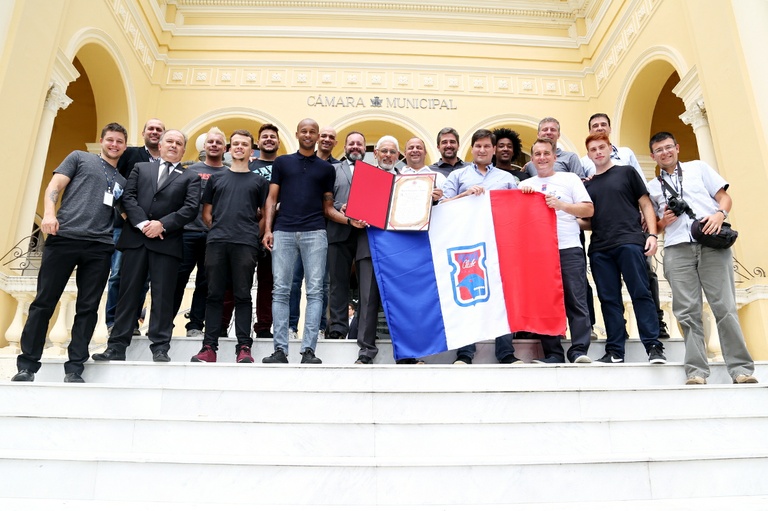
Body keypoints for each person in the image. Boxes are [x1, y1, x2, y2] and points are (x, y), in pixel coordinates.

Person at [12, 123, 128, 383]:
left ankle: (75, 367)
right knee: (44, 302)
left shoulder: (121, 181)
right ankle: (27, 365)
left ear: (124, 146)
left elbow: (125, 213)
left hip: (99, 247)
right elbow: (54, 185)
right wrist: (49, 215)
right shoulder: (79, 157)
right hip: (64, 238)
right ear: (102, 141)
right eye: (110, 140)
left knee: (88, 308)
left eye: (119, 141)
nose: (114, 145)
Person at [647, 132, 757, 385]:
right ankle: (696, 371)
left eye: (668, 147)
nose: (665, 153)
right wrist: (664, 221)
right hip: (677, 249)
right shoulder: (652, 187)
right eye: (659, 150)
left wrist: (720, 214)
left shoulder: (698, 168)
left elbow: (724, 198)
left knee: (725, 307)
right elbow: (654, 227)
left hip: (711, 243)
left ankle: (741, 369)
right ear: (653, 156)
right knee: (687, 312)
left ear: (677, 147)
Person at [261, 118, 365, 364]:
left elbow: (328, 208)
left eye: (312, 132)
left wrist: (350, 221)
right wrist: (268, 229)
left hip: (316, 233)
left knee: (316, 291)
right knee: (281, 290)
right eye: (304, 131)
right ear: (297, 134)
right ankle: (280, 350)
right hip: (284, 231)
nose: (308, 135)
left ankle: (308, 349)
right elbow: (271, 199)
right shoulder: (282, 162)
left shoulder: (326, 169)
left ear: (318, 136)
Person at [92, 129, 201, 363]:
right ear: (160, 146)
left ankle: (160, 347)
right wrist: (143, 224)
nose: (173, 145)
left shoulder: (190, 177)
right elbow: (128, 198)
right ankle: (116, 346)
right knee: (128, 293)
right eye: (169, 141)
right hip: (136, 240)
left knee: (163, 296)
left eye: (179, 143)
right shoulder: (141, 168)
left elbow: (190, 208)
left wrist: (162, 224)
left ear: (183, 150)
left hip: (166, 242)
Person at [581, 113, 670, 339]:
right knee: (609, 296)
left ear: (610, 145)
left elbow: (644, 197)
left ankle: (654, 335)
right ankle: (616, 341)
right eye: (595, 126)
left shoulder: (626, 162)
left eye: (603, 125)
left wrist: (651, 230)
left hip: (631, 235)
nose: (598, 151)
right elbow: (587, 211)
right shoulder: (586, 172)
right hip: (602, 242)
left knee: (643, 285)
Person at [190, 130, 269, 363]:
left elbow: (266, 214)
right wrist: (219, 229)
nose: (239, 147)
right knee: (214, 294)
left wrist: (252, 234)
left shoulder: (259, 181)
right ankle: (209, 347)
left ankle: (244, 347)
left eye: (244, 144)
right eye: (235, 144)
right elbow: (206, 213)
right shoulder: (216, 179)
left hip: (246, 244)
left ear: (251, 150)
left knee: (243, 295)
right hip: (217, 242)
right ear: (229, 149)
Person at [441, 129, 519, 365]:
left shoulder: (507, 179)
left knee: (503, 296)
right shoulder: (458, 176)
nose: (482, 150)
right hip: (468, 245)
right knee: (468, 294)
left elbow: (517, 208)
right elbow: (442, 206)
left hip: (499, 243)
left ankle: (505, 353)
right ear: (472, 149)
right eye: (478, 146)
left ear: (494, 149)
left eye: (487, 146)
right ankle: (465, 354)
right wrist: (465, 195)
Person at [520, 138, 594, 363]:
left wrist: (562, 206)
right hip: (539, 252)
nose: (542, 158)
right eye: (537, 154)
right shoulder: (525, 184)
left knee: (576, 299)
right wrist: (522, 197)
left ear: (554, 156)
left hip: (568, 247)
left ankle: (579, 351)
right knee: (546, 302)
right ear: (532, 159)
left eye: (546, 153)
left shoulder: (569, 179)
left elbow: (589, 210)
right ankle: (553, 353)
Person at [353, 136, 422, 364]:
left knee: (401, 301)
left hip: (399, 249)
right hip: (369, 245)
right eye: (384, 151)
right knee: (368, 300)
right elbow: (353, 210)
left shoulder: (409, 182)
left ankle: (405, 352)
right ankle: (366, 352)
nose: (388, 155)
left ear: (398, 156)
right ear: (376, 153)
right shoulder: (364, 178)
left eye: (392, 152)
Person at [105, 118, 165, 334]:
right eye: (151, 128)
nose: (155, 132)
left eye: (159, 129)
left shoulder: (167, 162)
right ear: (143, 133)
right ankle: (113, 321)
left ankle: (132, 321)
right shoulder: (130, 154)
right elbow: (115, 182)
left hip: (152, 229)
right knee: (118, 274)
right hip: (125, 225)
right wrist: (125, 214)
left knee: (144, 277)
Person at [172, 127, 228, 338]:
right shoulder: (190, 170)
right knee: (177, 280)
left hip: (214, 236)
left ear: (224, 148)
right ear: (204, 146)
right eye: (210, 142)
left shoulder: (228, 174)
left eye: (218, 142)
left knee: (206, 282)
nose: (214, 145)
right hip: (187, 233)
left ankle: (195, 325)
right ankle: (165, 323)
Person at [287, 126, 338, 339]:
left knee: (321, 285)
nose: (326, 139)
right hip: (294, 230)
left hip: (324, 233)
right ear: (318, 138)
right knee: (293, 281)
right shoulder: (298, 162)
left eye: (331, 137)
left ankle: (319, 327)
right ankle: (291, 327)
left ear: (335, 143)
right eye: (323, 135)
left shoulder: (337, 167)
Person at [327, 131, 366, 340]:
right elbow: (324, 200)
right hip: (338, 232)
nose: (355, 147)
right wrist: (340, 206)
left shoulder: (373, 172)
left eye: (359, 144)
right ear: (345, 147)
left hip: (365, 235)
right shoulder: (333, 170)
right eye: (352, 143)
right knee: (337, 283)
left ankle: (362, 328)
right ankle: (337, 328)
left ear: (365, 148)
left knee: (366, 285)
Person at [249, 123, 280, 338]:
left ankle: (263, 326)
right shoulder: (249, 165)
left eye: (272, 137)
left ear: (278, 142)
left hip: (276, 233)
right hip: (248, 229)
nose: (269, 139)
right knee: (238, 281)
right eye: (265, 136)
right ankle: (225, 325)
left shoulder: (284, 165)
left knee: (269, 282)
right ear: (258, 142)